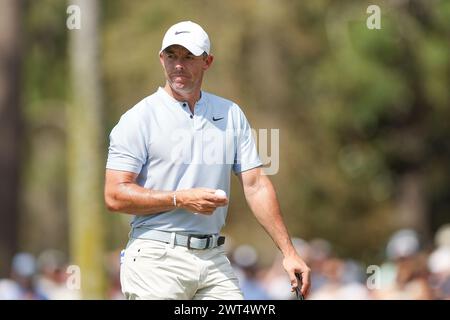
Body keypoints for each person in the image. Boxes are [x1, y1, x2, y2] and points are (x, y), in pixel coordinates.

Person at [104, 20, 311, 300]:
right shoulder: (138, 118)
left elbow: (256, 185)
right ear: (161, 59)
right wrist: (179, 198)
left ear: (207, 61)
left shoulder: (230, 114)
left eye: (188, 57)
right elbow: (115, 195)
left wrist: (289, 253)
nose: (178, 64)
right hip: (155, 257)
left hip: (213, 258)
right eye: (172, 55)